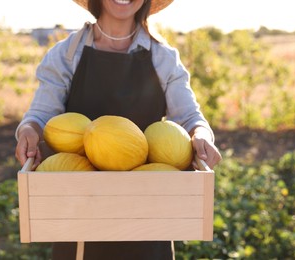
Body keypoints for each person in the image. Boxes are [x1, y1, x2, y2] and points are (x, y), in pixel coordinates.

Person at [15, 0, 222, 259]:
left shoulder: (163, 57)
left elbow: (191, 118)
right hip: (79, 213)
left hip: (148, 212)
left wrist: (201, 134)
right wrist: (29, 130)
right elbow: (40, 116)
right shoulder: (66, 54)